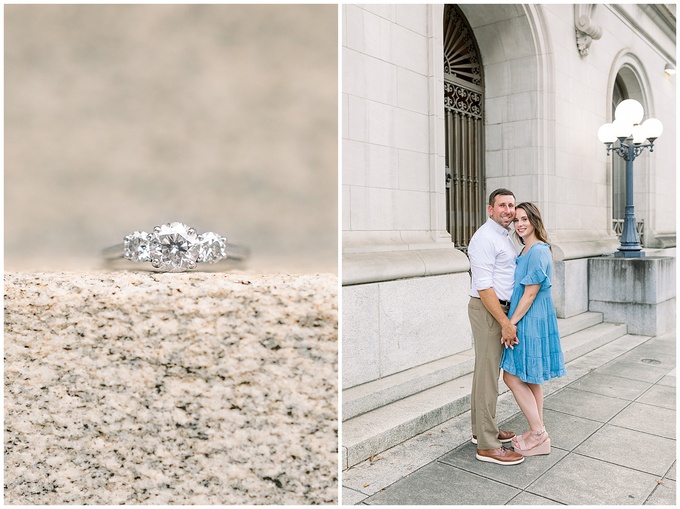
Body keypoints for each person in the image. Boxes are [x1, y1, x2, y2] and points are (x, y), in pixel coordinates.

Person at [500, 202, 567, 456]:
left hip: (530, 319)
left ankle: (538, 433)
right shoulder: (526, 248)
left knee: (511, 376)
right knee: (531, 377)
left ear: (534, 220)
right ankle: (538, 432)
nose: (520, 224)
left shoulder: (538, 250)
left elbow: (530, 294)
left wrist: (510, 324)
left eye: (525, 219)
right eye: (516, 220)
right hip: (529, 317)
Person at [467, 188, 524, 466]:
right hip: (489, 309)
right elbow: (484, 285)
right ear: (490, 209)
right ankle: (488, 446)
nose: (508, 210)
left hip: (499, 309)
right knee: (488, 376)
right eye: (502, 205)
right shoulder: (484, 238)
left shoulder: (506, 236)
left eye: (511, 205)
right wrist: (504, 322)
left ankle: (482, 431)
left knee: (485, 373)